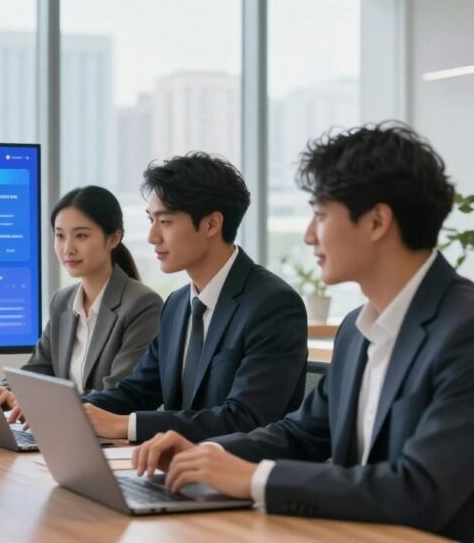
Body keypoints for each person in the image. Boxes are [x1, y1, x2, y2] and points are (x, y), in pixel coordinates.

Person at [130, 124, 474, 541]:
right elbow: (301, 433)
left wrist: (255, 480)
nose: (310, 235)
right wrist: (211, 454)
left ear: (377, 221)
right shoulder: (356, 330)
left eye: (321, 215)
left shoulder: (463, 329)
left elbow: (420, 490)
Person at [79, 152, 308, 443]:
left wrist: (128, 426)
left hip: (237, 478)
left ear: (212, 224)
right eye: (151, 220)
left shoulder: (273, 305)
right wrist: (64, 410)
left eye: (165, 222)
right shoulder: (176, 304)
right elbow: (137, 392)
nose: (152, 236)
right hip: (177, 472)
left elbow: (245, 418)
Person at [0, 186, 162, 413]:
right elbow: (38, 370)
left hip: (112, 440)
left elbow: (119, 393)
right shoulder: (62, 301)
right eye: (60, 235)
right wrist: (5, 390)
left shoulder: (143, 304)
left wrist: (43, 404)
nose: (67, 249)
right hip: (63, 429)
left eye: (81, 235)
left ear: (113, 238)